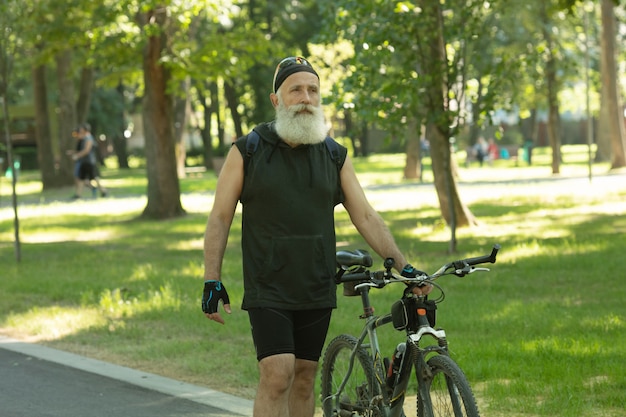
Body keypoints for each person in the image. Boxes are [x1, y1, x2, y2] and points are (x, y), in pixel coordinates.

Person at [201, 56, 430, 417]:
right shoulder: (248, 150)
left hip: (315, 283)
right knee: (278, 374)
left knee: (305, 377)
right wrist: (211, 278)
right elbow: (219, 218)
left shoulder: (334, 154)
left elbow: (366, 216)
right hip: (268, 283)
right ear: (276, 100)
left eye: (312, 90)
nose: (306, 98)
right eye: (296, 90)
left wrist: (405, 266)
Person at [68, 124, 107, 198]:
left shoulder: (89, 138)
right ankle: (78, 194)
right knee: (81, 178)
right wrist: (74, 152)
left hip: (89, 161)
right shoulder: (84, 138)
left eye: (81, 129)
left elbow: (86, 150)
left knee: (94, 177)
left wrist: (77, 156)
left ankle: (103, 191)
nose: (80, 131)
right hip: (84, 162)